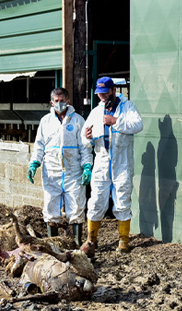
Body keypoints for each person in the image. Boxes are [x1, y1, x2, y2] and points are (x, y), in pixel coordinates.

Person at [80, 77, 143, 256]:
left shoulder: (127, 107)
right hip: (101, 160)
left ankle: (123, 240)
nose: (102, 96)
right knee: (97, 199)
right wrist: (87, 136)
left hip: (122, 162)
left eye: (105, 92)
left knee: (122, 198)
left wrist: (116, 121)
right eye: (99, 93)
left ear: (113, 90)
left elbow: (138, 125)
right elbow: (84, 140)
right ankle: (92, 239)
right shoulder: (96, 111)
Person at [27, 87, 92, 247]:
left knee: (76, 206)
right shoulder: (46, 122)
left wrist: (87, 166)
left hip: (73, 171)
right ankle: (52, 243)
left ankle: (76, 243)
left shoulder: (77, 120)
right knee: (51, 207)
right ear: (51, 102)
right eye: (56, 101)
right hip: (52, 171)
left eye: (62, 101)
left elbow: (84, 146)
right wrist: (34, 163)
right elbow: (39, 145)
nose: (59, 104)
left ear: (68, 101)